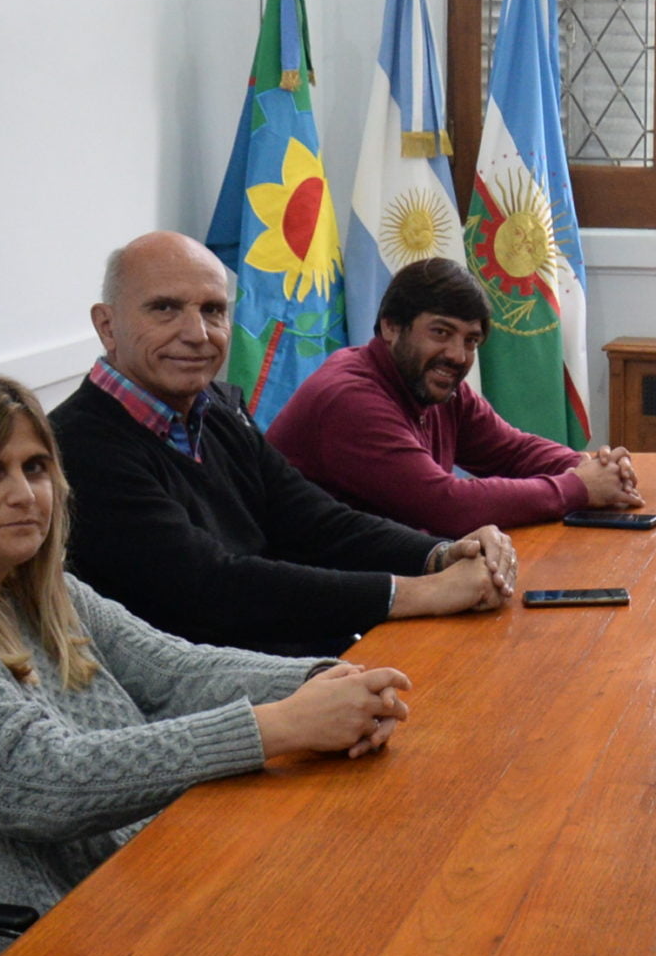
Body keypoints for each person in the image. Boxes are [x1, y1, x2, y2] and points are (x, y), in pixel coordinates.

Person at [0, 373, 416, 956]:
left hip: (128, 895)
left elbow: (173, 670)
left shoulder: (28, 583)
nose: (24, 494)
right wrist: (277, 724)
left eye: (36, 467)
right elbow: (41, 780)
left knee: (364, 926)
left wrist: (327, 680)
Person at [52, 231, 514, 658]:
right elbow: (212, 589)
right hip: (204, 700)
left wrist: (440, 555)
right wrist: (420, 592)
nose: (197, 334)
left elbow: (314, 521)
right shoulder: (76, 447)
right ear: (107, 326)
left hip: (283, 658)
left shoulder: (214, 407)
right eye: (165, 309)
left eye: (213, 310)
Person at [270, 257, 642, 536]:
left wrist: (589, 465)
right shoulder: (350, 399)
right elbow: (446, 506)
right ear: (391, 326)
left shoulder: (435, 383)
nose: (458, 356)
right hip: (313, 605)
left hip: (383, 574)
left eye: (471, 340)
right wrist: (578, 486)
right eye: (441, 332)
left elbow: (511, 451)